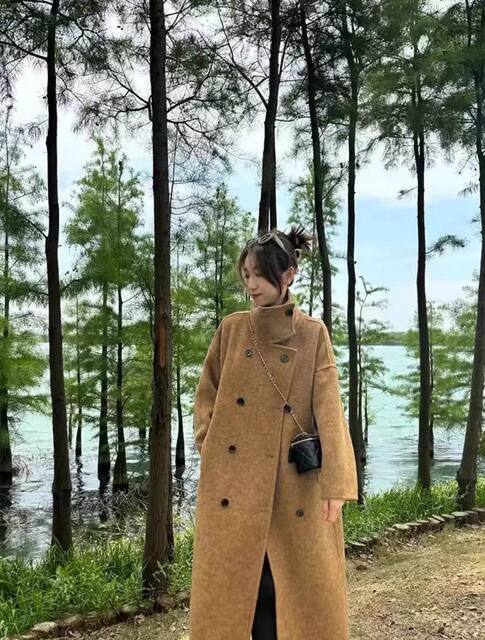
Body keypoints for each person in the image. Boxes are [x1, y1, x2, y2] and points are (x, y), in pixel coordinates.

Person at [189, 224, 358, 640]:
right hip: (233, 486)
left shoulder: (312, 334)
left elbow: (329, 410)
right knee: (238, 596)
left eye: (260, 275)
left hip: (292, 486)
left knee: (285, 593)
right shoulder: (231, 330)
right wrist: (211, 447)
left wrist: (336, 484)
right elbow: (206, 395)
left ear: (288, 275)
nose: (251, 284)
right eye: (246, 274)